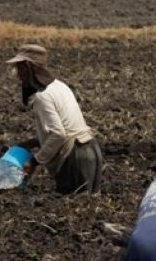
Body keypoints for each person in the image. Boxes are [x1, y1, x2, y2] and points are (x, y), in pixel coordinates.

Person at [6, 44, 103, 194]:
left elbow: (59, 134)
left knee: (73, 209)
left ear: (27, 68)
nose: (18, 75)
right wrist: (29, 143)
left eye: (19, 69)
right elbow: (65, 128)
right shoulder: (60, 86)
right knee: (86, 206)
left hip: (75, 159)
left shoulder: (42, 96)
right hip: (90, 152)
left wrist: (33, 162)